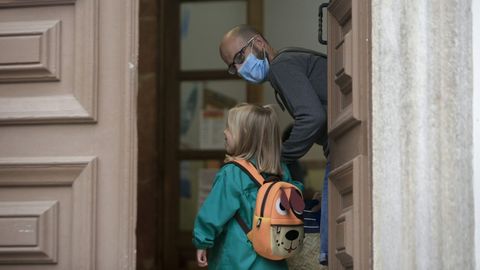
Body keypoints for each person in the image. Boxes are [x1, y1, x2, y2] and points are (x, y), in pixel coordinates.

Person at [219, 24, 330, 265]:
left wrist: (278, 159)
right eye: (232, 66)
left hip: (347, 146)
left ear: (258, 43)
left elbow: (313, 118)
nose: (239, 70)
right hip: (341, 149)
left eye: (240, 58)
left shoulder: (281, 65)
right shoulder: (288, 64)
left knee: (330, 252)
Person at [193, 103, 303, 269]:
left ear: (244, 135)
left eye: (229, 128)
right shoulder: (281, 171)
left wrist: (202, 241)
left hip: (237, 259)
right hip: (273, 260)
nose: (224, 132)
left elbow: (214, 213)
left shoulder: (232, 173)